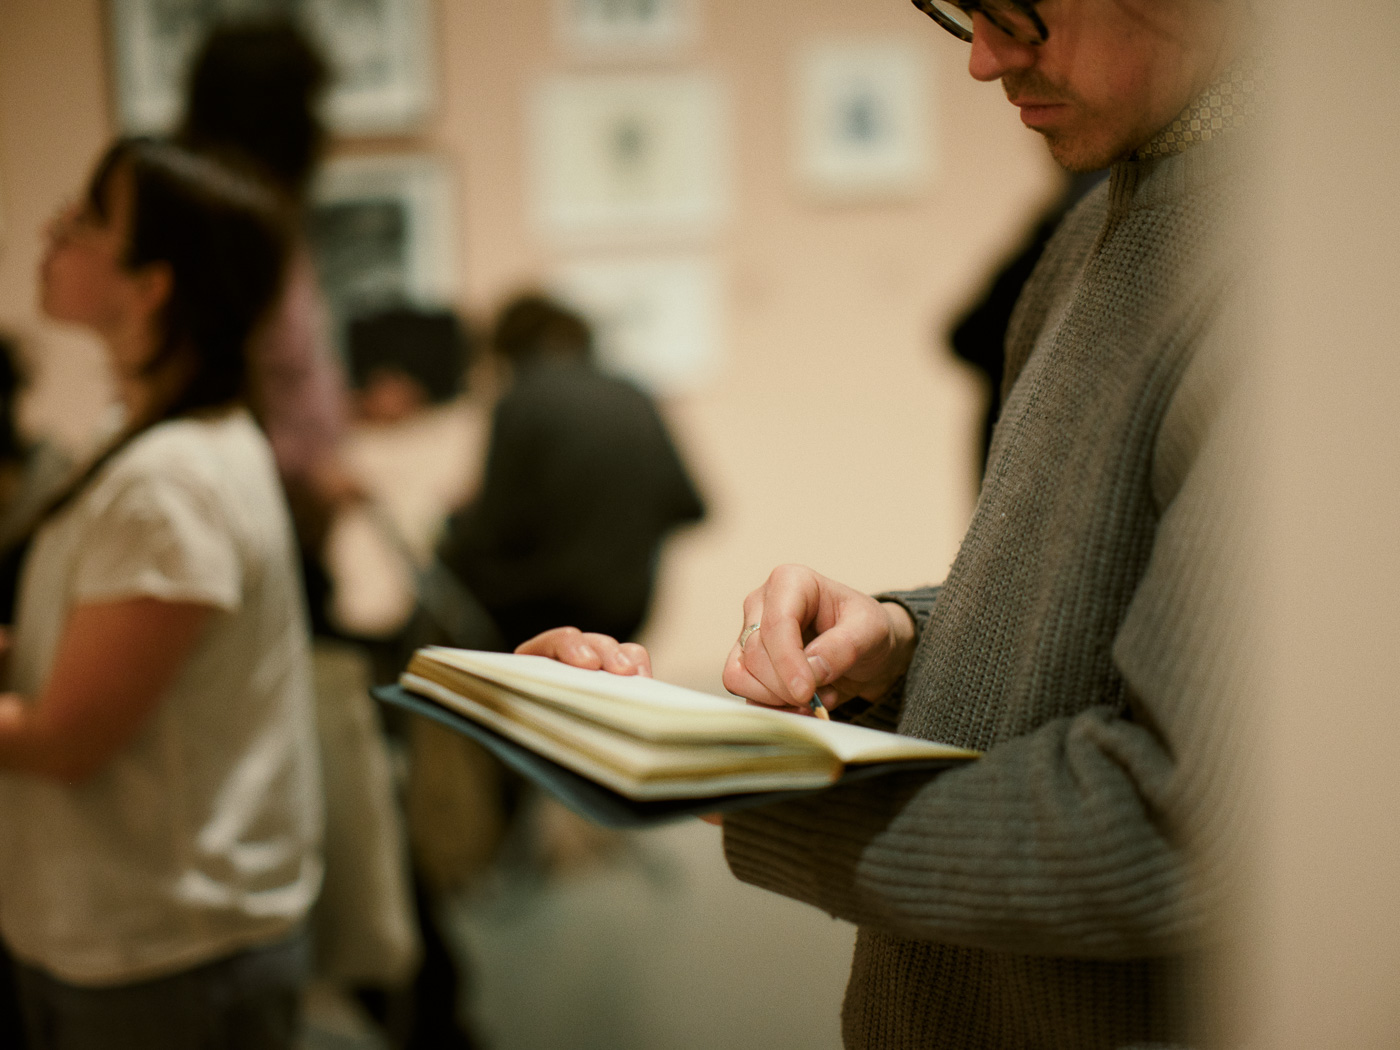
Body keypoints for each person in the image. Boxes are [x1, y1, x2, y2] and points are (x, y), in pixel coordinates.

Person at [518, 0, 1261, 1045]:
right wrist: (906, 638)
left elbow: (1176, 829)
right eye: (962, 13)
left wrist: (717, 773)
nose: (984, 60)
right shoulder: (1096, 228)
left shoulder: (1311, 291)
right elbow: (1102, 618)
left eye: (1020, 11)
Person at [0, 139, 322, 1049]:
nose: (55, 230)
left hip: (164, 953)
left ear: (152, 286)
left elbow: (67, 740)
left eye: (89, 219)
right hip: (139, 932)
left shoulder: (169, 480)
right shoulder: (145, 438)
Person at [178, 16, 359, 636]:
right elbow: (233, 378)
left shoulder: (261, 215)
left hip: (284, 517)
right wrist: (309, 469)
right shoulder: (233, 222)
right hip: (263, 518)